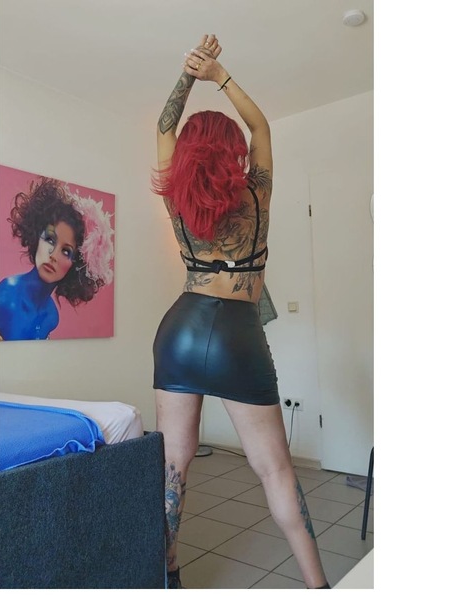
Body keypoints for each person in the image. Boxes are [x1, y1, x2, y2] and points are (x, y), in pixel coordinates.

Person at [152, 34, 330, 589]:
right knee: (274, 469)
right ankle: (318, 585)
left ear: (188, 153)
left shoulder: (176, 198)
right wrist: (219, 75)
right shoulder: (257, 195)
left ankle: (166, 576)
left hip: (181, 329)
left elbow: (163, 128)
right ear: (232, 151)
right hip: (236, 332)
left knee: (173, 467)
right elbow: (262, 128)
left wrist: (187, 74)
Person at [0, 177, 113, 341]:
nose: (53, 255)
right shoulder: (6, 295)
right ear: (37, 237)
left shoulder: (51, 317)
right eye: (50, 240)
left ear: (76, 264)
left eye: (66, 251)